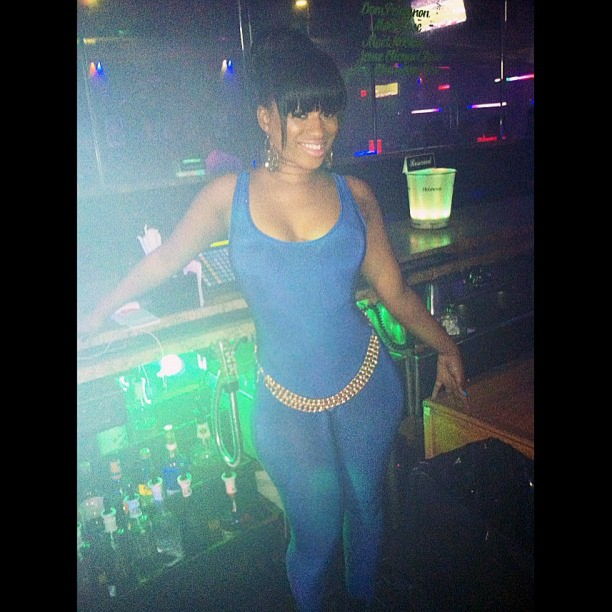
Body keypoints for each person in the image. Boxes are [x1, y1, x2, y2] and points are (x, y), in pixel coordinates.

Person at [79, 27, 467, 612]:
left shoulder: (356, 194)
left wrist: (447, 345)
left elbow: (396, 293)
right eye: (299, 112)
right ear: (265, 117)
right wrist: (95, 314)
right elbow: (163, 259)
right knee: (314, 532)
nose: (319, 127)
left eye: (328, 111)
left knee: (367, 507)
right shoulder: (227, 195)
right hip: (286, 405)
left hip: (367, 384)